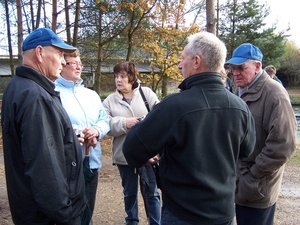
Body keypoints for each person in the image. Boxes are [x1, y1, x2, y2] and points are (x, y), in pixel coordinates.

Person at [122, 32, 256, 225]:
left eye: (182, 58)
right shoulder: (239, 106)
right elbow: (247, 150)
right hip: (224, 214)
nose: (179, 64)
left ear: (196, 61)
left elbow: (132, 150)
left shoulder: (174, 106)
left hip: (182, 215)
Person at [1, 27, 87, 224]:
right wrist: (66, 213)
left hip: (31, 210)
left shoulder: (18, 87)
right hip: (48, 217)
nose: (64, 61)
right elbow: (44, 166)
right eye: (59, 54)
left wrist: (65, 136)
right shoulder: (36, 96)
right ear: (40, 53)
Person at [226, 43, 297, 225]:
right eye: (233, 68)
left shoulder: (275, 94)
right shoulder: (240, 91)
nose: (235, 73)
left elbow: (284, 146)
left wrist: (253, 176)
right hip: (242, 182)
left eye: (241, 68)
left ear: (257, 66)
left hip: (257, 186)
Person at [55, 49, 110, 224]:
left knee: (88, 211)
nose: (79, 66)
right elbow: (54, 124)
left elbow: (104, 119)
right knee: (71, 216)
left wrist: (96, 131)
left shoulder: (91, 95)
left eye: (80, 63)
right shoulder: (53, 92)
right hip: (67, 167)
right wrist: (77, 131)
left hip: (91, 163)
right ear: (63, 64)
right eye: (74, 63)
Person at [102, 62, 161, 225]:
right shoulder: (109, 101)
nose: (118, 80)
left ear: (132, 77)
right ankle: (132, 221)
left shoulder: (146, 94)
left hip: (148, 155)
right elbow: (105, 125)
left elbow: (160, 118)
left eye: (122, 76)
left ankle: (156, 222)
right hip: (124, 156)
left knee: (152, 193)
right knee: (130, 193)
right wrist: (124, 123)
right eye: (116, 76)